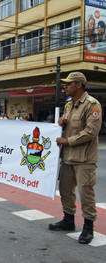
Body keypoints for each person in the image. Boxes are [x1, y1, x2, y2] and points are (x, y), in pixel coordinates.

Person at [48, 72, 102, 245]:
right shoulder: (69, 105)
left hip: (84, 159)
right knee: (65, 190)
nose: (65, 87)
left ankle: (88, 228)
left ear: (78, 85)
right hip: (68, 157)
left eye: (68, 84)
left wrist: (67, 140)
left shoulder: (92, 105)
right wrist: (61, 125)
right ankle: (68, 220)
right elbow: (68, 128)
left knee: (86, 193)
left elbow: (90, 132)